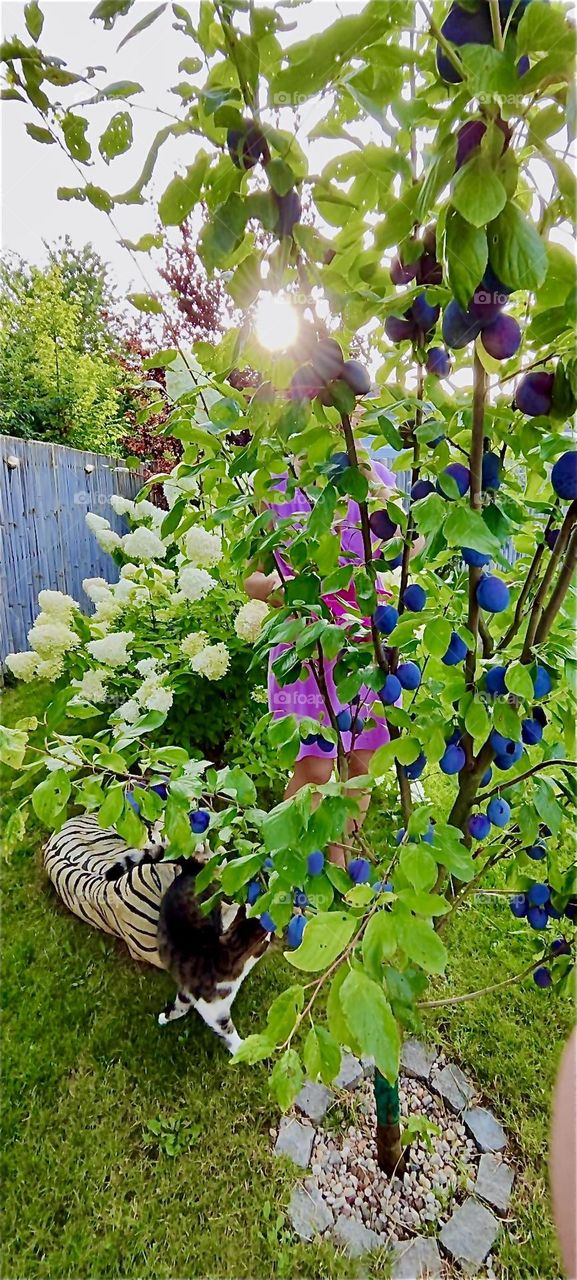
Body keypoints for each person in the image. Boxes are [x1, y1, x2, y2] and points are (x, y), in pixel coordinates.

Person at [244, 452, 421, 867]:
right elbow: (252, 575)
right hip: (306, 645)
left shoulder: (373, 474)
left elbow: (413, 545)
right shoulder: (273, 481)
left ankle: (339, 872)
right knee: (317, 771)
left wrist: (375, 489)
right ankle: (282, 869)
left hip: (365, 642)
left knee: (361, 767)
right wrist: (277, 587)